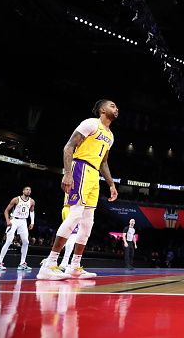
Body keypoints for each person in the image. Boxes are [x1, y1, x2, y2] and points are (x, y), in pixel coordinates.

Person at [37, 99, 119, 280]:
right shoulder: (91, 123)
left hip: (94, 175)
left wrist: (111, 184)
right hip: (80, 168)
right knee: (74, 215)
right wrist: (67, 174)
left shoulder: (111, 136)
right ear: (102, 109)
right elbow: (69, 146)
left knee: (88, 222)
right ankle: (49, 264)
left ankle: (74, 266)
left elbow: (104, 162)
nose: (116, 108)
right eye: (112, 105)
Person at [0, 186, 35, 271]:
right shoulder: (16, 199)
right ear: (23, 190)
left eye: (29, 190)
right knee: (9, 241)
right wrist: (8, 220)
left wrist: (32, 222)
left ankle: (22, 263)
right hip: (14, 220)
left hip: (23, 221)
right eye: (26, 189)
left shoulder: (32, 201)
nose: (28, 191)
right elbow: (6, 211)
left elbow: (32, 211)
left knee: (26, 242)